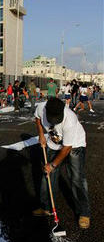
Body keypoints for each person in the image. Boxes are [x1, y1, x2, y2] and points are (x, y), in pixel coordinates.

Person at [33, 97, 91, 229]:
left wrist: (52, 165)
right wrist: (41, 134)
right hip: (54, 143)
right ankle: (46, 207)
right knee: (47, 175)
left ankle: (84, 213)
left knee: (76, 178)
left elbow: (66, 149)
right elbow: (37, 119)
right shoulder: (41, 108)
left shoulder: (70, 119)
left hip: (74, 145)